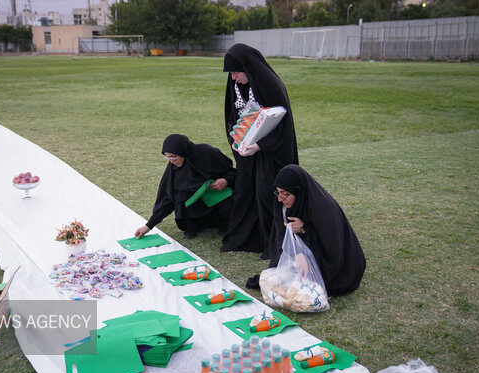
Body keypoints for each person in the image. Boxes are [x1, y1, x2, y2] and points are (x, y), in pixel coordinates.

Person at [221, 43, 299, 258]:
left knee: (266, 193)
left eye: (236, 72)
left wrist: (260, 145)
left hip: (269, 153)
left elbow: (282, 124)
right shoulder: (235, 84)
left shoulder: (269, 84)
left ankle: (272, 242)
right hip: (246, 151)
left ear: (247, 67)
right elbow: (230, 117)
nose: (234, 77)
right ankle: (243, 237)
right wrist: (235, 141)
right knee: (245, 190)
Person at [247, 165, 366, 296]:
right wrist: (297, 253)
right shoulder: (280, 203)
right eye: (278, 192)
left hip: (334, 262)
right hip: (301, 253)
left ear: (299, 191)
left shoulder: (324, 209)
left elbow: (332, 248)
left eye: (286, 194)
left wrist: (304, 230)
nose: (280, 199)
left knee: (306, 285)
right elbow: (279, 235)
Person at [134, 134, 236, 240]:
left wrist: (225, 180)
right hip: (197, 202)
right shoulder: (174, 168)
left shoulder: (207, 153)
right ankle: (194, 226)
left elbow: (232, 172)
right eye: (167, 157)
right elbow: (167, 198)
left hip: (216, 196)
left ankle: (225, 224)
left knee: (228, 203)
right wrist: (148, 226)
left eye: (173, 156)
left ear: (182, 151)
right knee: (179, 197)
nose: (171, 161)